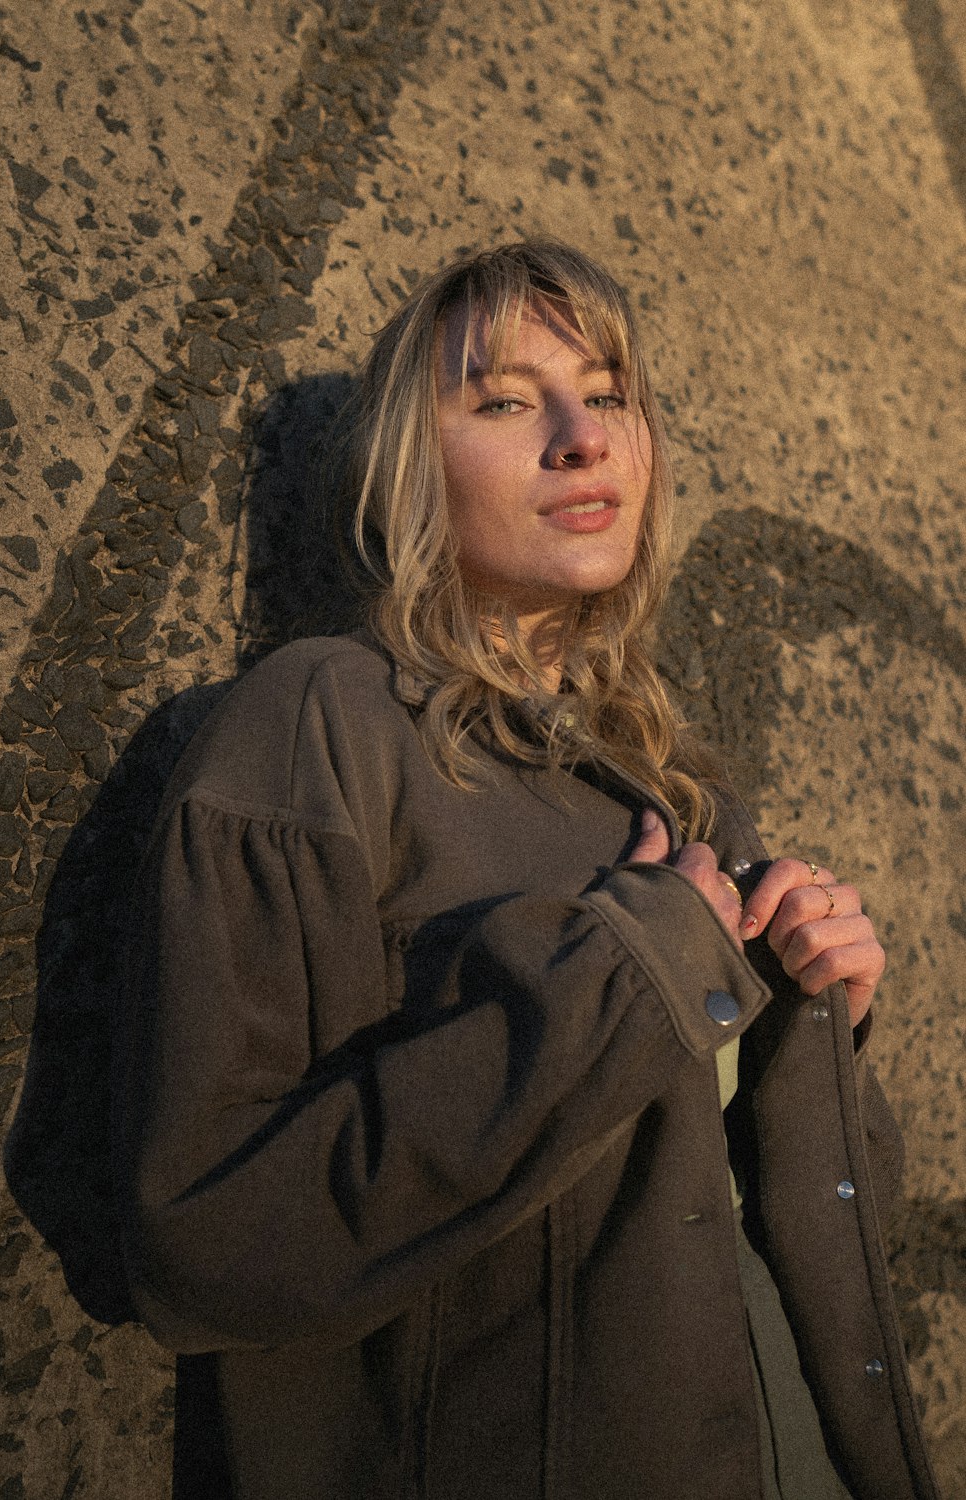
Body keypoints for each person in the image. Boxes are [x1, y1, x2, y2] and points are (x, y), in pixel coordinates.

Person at [114, 241, 940, 1500]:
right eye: (504, 401)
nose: (580, 437)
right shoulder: (322, 725)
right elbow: (201, 1242)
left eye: (607, 394)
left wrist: (824, 1028)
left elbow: (794, 1226)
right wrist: (625, 975)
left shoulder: (680, 796)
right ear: (408, 470)